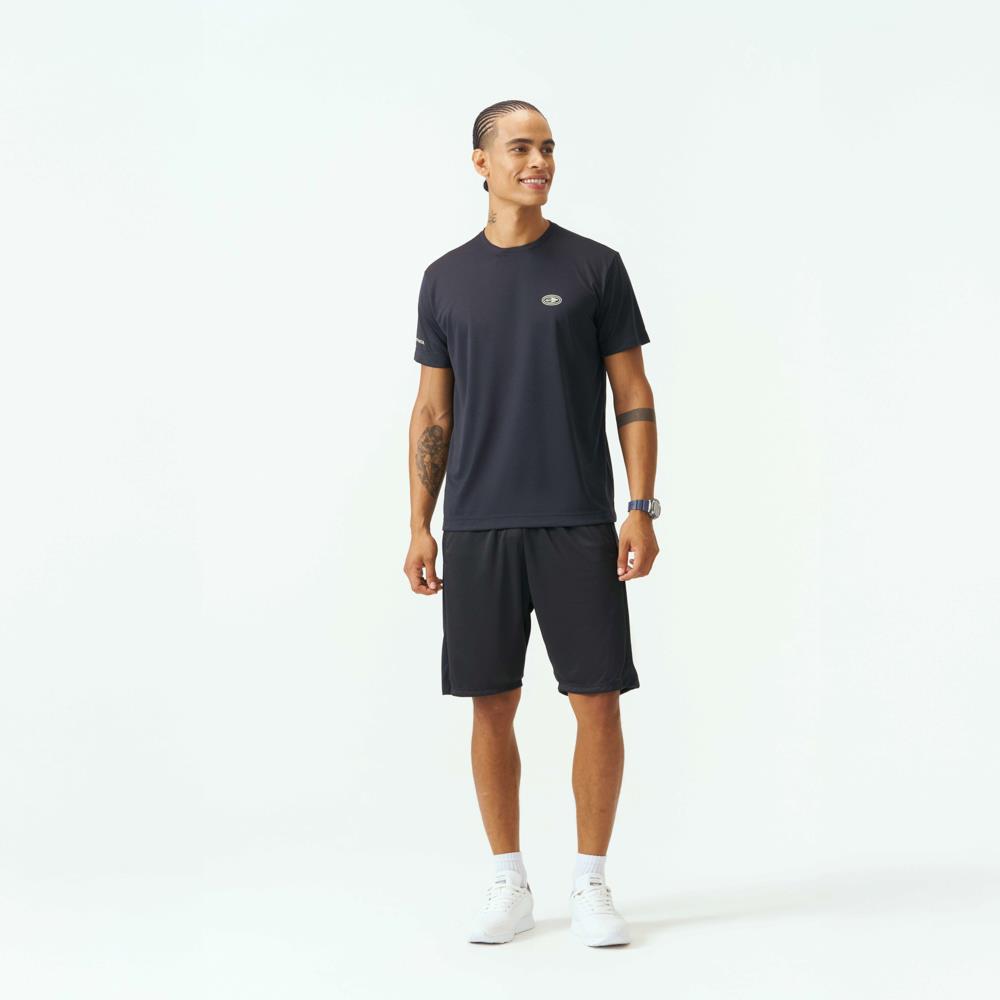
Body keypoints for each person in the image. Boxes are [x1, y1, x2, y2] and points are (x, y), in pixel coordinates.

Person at [403, 99, 660, 948]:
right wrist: (420, 524)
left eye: (547, 147)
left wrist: (640, 506)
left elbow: (633, 393)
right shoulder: (445, 278)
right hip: (478, 524)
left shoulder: (594, 267)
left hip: (577, 519)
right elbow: (432, 411)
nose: (538, 161)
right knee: (490, 704)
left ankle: (591, 882)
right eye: (520, 147)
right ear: (481, 162)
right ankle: (508, 879)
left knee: (597, 701)